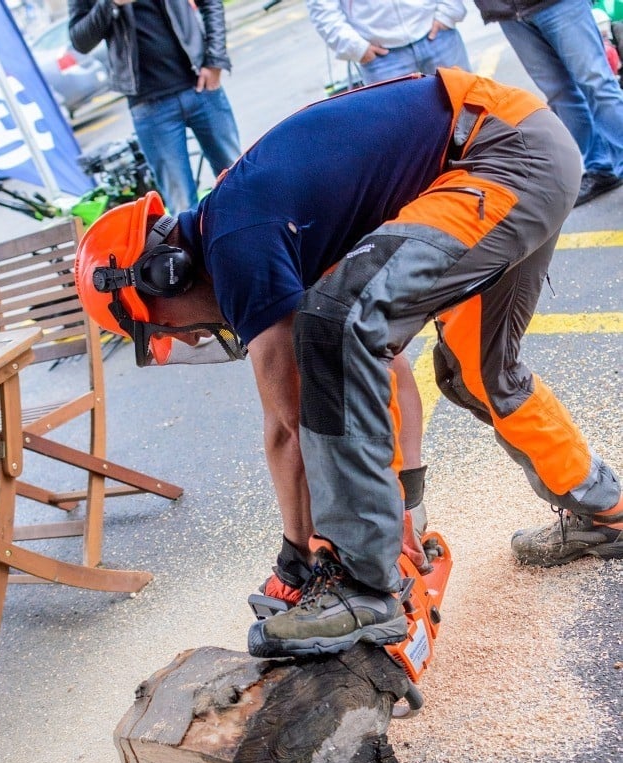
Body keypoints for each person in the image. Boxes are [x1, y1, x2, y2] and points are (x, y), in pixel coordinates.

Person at [74, 68, 623, 663]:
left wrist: (297, 553)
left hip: (498, 156)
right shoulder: (252, 224)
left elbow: (289, 423)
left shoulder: (237, 244)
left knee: (332, 325)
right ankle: (606, 510)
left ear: (163, 277)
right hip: (520, 147)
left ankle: (361, 585)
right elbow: (385, 368)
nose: (189, 336)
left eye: (165, 327)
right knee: (478, 370)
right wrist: (407, 512)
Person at [68, 0, 241, 215]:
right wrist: (109, 4)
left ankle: (261, 245)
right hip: (149, 105)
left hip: (201, 86)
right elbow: (79, 40)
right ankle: (198, 249)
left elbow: (211, 3)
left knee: (238, 182)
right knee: (182, 209)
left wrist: (215, 58)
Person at [472, 0, 623, 206]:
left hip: (559, 4)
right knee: (560, 95)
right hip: (508, 13)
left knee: (597, 84)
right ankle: (600, 167)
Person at [306, 0, 471, 83]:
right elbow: (321, 7)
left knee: (469, 114)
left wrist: (448, 12)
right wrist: (357, 48)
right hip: (382, 58)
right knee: (403, 132)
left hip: (439, 35)